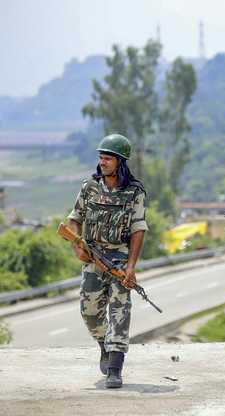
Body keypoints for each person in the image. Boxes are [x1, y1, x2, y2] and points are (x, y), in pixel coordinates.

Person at [67, 134, 148, 389]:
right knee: (89, 312)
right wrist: (77, 246)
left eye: (108, 158)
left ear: (120, 162)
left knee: (120, 310)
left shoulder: (134, 192)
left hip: (120, 258)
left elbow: (138, 229)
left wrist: (131, 266)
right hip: (93, 257)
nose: (102, 162)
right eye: (101, 157)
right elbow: (73, 219)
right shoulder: (89, 187)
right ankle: (104, 344)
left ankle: (115, 366)